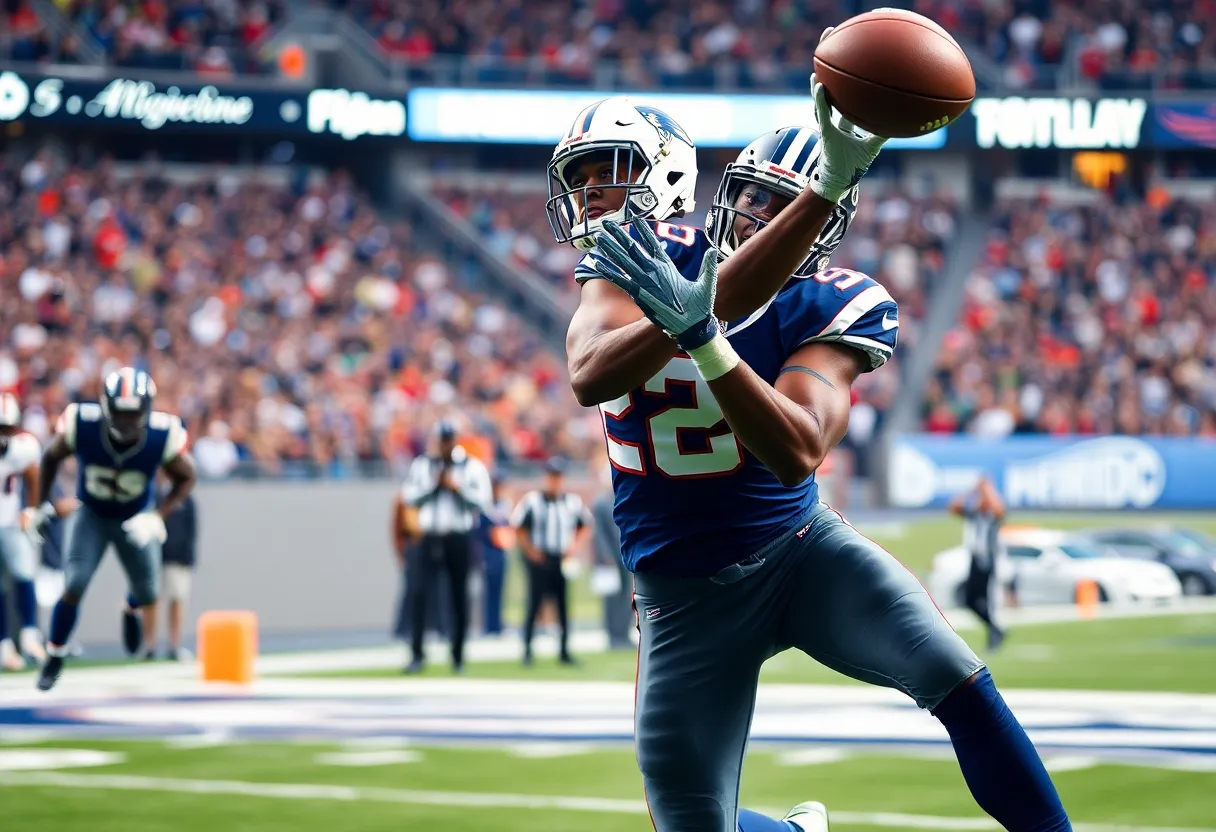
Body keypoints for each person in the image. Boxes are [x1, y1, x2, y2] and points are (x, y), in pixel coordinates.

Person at [559, 74, 1071, 832]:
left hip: (801, 555)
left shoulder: (836, 300)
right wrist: (689, 319)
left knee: (956, 677)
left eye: (783, 205)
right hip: (679, 594)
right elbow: (589, 374)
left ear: (822, 224)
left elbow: (798, 449)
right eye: (753, 196)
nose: (759, 217)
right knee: (694, 822)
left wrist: (705, 342)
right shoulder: (646, 253)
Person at [30, 368, 198, 692]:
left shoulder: (163, 434)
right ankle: (55, 653)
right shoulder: (84, 425)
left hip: (135, 518)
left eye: (134, 413)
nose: (126, 422)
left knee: (149, 593)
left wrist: (158, 516)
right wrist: (39, 506)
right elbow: (50, 457)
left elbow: (187, 477)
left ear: (147, 410)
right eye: (120, 413)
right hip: (91, 514)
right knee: (74, 582)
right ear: (106, 408)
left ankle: (130, 606)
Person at [399, 419, 492, 674]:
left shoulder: (471, 467)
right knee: (418, 593)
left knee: (458, 596)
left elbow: (484, 503)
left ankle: (458, 655)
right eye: (440, 440)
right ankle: (417, 654)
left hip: (458, 536)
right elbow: (408, 497)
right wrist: (433, 485)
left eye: (447, 440)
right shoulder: (422, 465)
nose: (443, 445)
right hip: (428, 536)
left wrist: (457, 488)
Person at [512, 458, 591, 666]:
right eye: (551, 477)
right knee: (534, 603)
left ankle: (564, 651)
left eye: (558, 477)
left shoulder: (572, 502)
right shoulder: (532, 501)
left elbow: (585, 526)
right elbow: (518, 527)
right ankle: (527, 650)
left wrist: (574, 547)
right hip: (540, 559)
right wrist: (530, 550)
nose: (554, 481)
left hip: (561, 557)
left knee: (563, 605)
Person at [142, 479, 198, 660]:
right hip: (156, 558)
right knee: (151, 601)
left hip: (177, 558)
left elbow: (192, 531)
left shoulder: (186, 500)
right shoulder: (153, 496)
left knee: (177, 600)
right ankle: (149, 645)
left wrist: (188, 558)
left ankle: (175, 645)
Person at [950, 477, 1007, 651]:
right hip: (975, 560)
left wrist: (986, 489)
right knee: (969, 600)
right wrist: (971, 491)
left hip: (987, 561)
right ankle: (995, 629)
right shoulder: (974, 514)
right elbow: (954, 507)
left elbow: (998, 508)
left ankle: (994, 633)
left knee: (985, 599)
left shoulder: (992, 516)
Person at [590, 462, 632, 650]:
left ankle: (623, 633)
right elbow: (599, 532)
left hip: (626, 555)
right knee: (612, 597)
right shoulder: (601, 502)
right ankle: (613, 634)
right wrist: (605, 555)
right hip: (610, 558)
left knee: (626, 597)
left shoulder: (623, 499)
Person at [476, 476, 512, 637]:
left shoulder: (505, 505)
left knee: (500, 590)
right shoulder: (485, 506)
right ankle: (489, 626)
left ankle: (498, 624)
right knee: (488, 591)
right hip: (488, 552)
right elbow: (479, 533)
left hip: (501, 551)